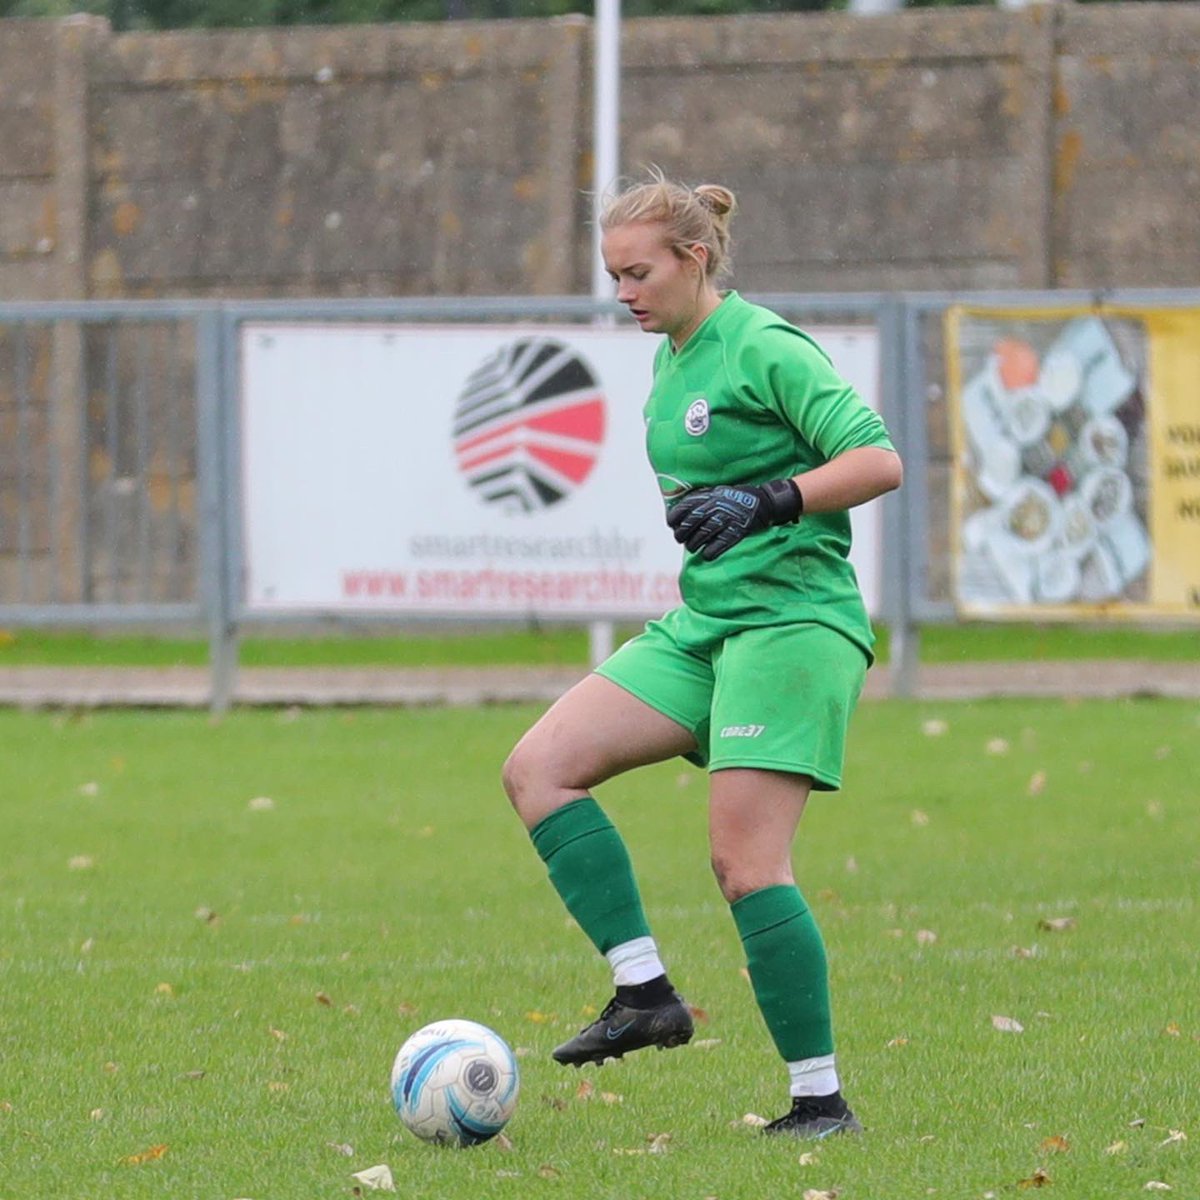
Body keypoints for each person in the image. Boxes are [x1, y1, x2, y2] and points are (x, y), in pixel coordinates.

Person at [501, 171, 902, 1139]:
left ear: (695, 258)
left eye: (639, 273)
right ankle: (645, 995)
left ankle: (821, 1101)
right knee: (539, 770)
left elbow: (879, 459)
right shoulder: (670, 358)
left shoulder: (763, 346)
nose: (625, 293)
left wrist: (769, 500)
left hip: (794, 624)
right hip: (708, 625)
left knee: (745, 863)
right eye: (614, 277)